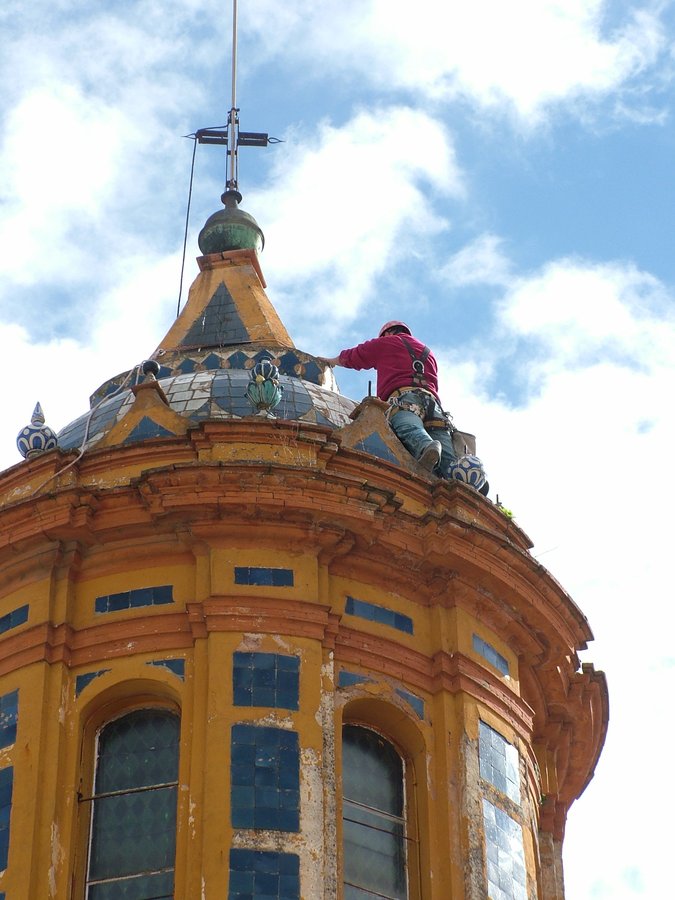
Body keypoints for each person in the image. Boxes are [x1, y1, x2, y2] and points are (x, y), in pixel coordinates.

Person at [320, 321, 457, 475]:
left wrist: (331, 361)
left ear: (387, 333)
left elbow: (357, 355)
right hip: (434, 405)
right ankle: (458, 478)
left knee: (407, 426)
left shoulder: (387, 343)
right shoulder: (428, 353)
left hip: (405, 398)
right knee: (447, 456)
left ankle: (426, 446)